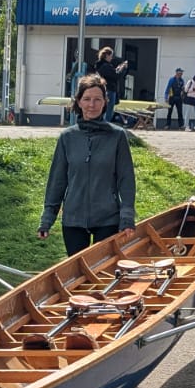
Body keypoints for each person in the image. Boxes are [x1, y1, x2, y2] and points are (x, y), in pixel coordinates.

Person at [38, 74, 137, 255]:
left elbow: (126, 179)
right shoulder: (67, 137)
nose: (92, 104)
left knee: (103, 269)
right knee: (77, 271)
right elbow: (57, 181)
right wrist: (47, 218)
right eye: (87, 99)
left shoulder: (117, 136)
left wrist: (127, 216)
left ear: (105, 102)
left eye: (97, 99)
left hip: (108, 219)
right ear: (79, 102)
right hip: (73, 219)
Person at [94, 46, 129, 122]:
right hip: (109, 90)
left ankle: (102, 124)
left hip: (103, 89)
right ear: (107, 55)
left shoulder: (101, 65)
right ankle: (104, 125)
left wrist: (118, 68)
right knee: (109, 111)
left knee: (104, 110)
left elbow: (112, 73)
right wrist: (123, 68)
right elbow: (116, 76)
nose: (111, 58)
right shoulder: (105, 66)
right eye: (111, 55)